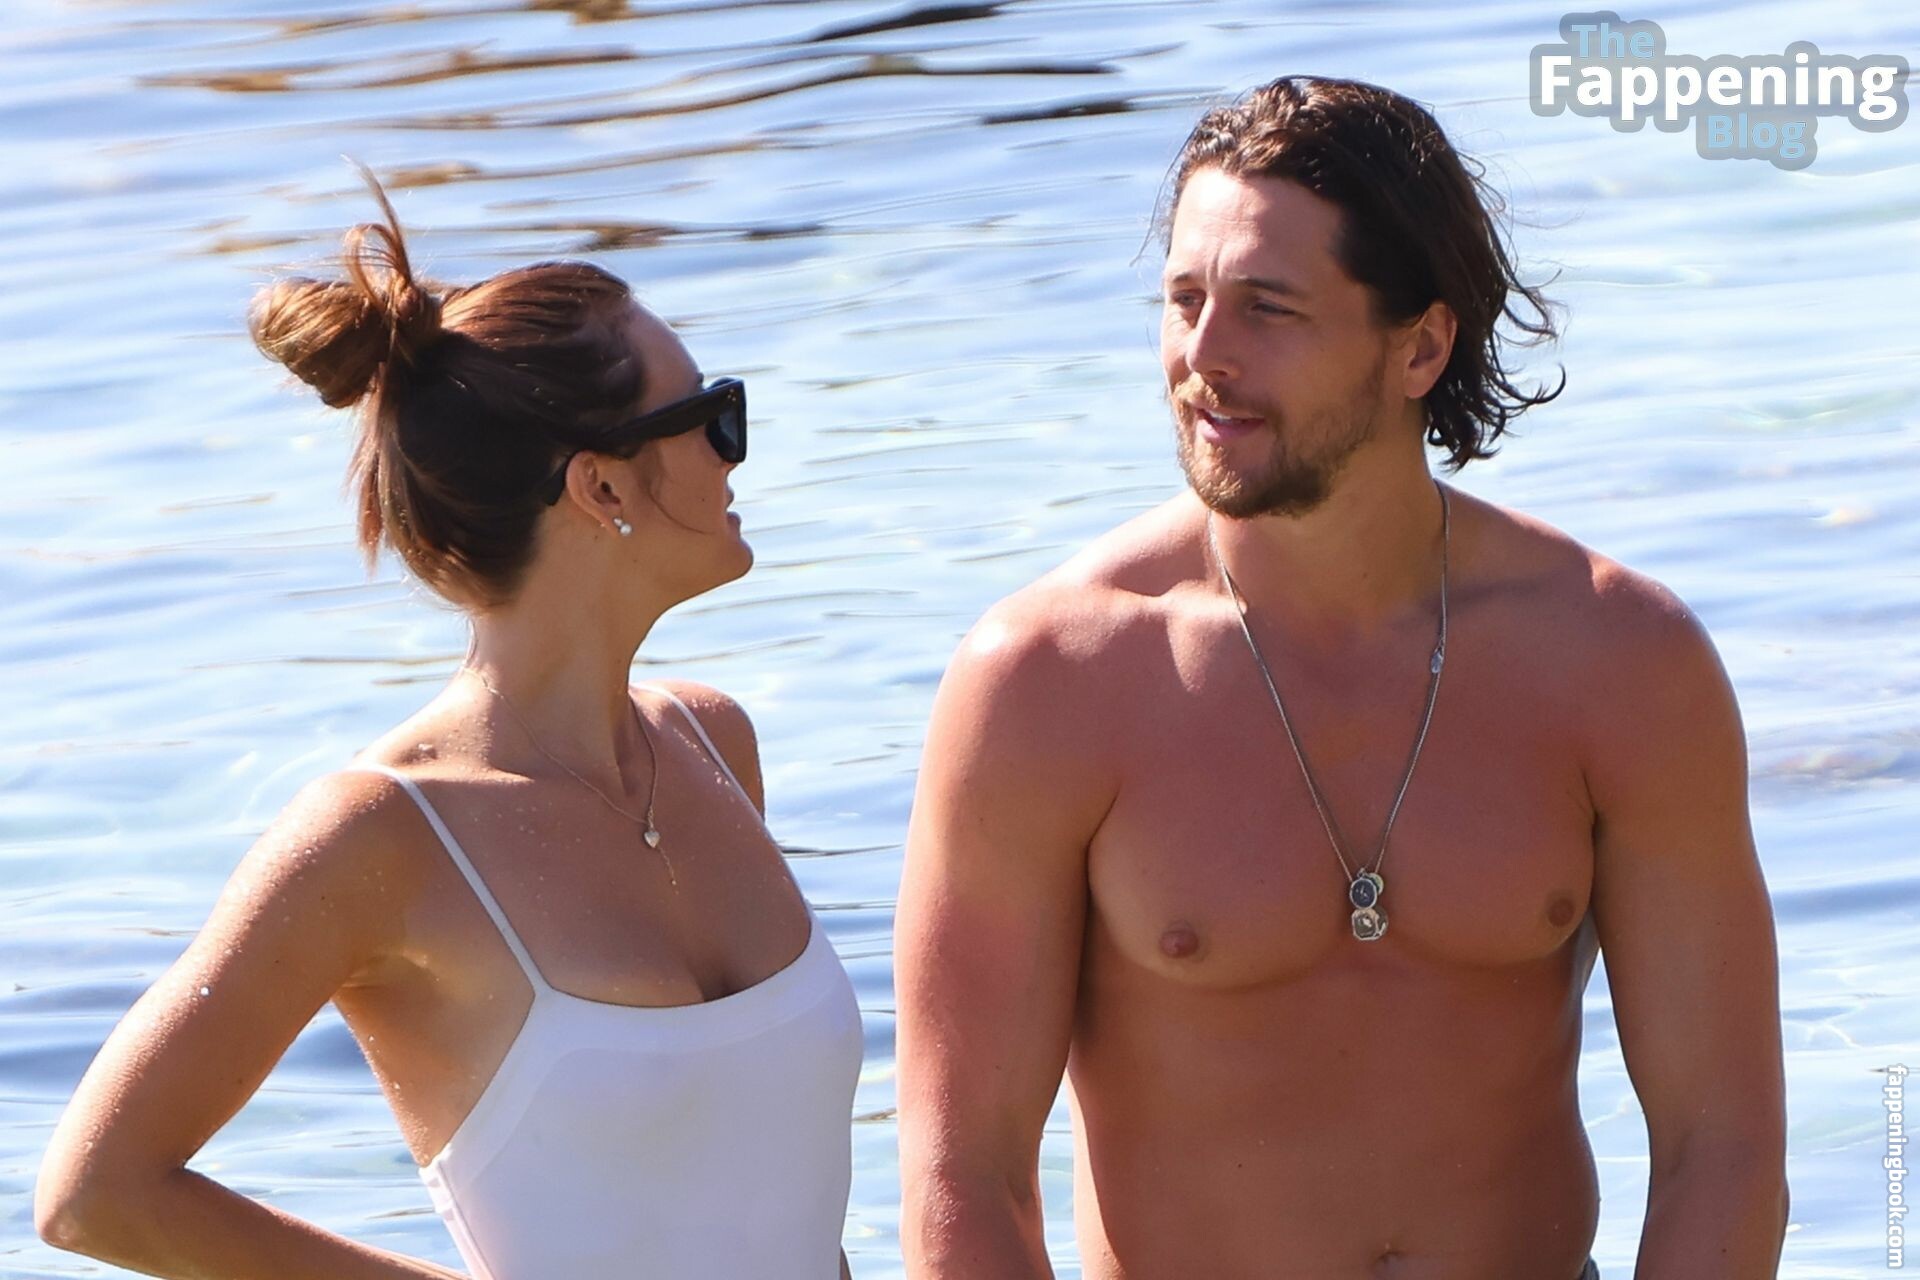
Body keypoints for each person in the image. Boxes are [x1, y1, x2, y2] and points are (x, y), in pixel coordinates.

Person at [896, 76, 1787, 1279]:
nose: (1203, 357)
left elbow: (1721, 1147)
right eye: (1184, 299)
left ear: (1420, 345)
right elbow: (964, 1179)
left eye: (1267, 308)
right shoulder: (1050, 680)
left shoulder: (1619, 661)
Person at [34, 173, 864, 1280]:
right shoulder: (379, 835)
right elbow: (97, 1195)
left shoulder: (714, 746)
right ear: (602, 487)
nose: (732, 451)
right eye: (711, 417)